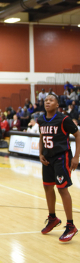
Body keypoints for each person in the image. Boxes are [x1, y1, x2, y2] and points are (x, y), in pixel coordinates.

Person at [38, 93, 80, 242]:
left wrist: (76, 157)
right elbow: (42, 137)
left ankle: (71, 226)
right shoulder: (41, 119)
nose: (47, 102)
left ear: (57, 105)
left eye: (51, 100)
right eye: (45, 100)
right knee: (48, 187)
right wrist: (40, 153)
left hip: (61, 157)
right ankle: (53, 219)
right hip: (47, 158)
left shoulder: (64, 119)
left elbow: (78, 135)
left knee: (62, 189)